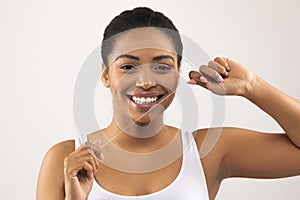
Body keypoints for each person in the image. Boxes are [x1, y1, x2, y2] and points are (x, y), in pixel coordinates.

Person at [36, 7, 300, 200]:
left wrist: (252, 86)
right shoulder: (64, 160)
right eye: (128, 66)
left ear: (178, 72)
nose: (147, 81)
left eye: (162, 66)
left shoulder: (206, 152)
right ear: (106, 75)